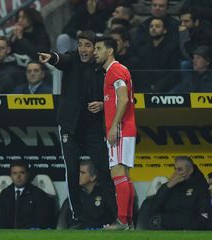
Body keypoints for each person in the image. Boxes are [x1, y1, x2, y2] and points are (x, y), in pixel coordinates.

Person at [39, 30, 114, 228]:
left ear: (96, 48)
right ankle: (78, 217)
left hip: (93, 129)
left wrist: (103, 104)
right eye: (80, 44)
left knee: (105, 170)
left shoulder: (103, 67)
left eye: (87, 45)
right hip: (70, 127)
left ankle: (113, 216)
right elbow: (61, 60)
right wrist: (52, 57)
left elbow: (118, 96)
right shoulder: (72, 59)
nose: (82, 49)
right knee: (72, 171)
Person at [94, 36, 136, 230]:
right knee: (124, 175)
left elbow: (124, 99)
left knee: (117, 173)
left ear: (109, 51)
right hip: (126, 128)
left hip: (120, 129)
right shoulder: (120, 70)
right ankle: (128, 221)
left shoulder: (114, 70)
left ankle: (121, 221)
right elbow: (120, 99)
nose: (95, 52)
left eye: (99, 48)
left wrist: (113, 127)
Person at [150, 156, 212, 230]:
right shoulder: (171, 185)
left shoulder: (202, 186)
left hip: (188, 229)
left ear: (190, 170)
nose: (176, 173)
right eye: (175, 169)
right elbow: (155, 207)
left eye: (180, 169)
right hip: (164, 226)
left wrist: (183, 225)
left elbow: (204, 217)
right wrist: (168, 186)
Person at [0, 161, 55, 229]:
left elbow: (41, 222)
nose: (18, 176)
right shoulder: (5, 193)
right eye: (14, 173)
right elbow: (0, 221)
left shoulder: (38, 194)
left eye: (22, 173)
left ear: (28, 175)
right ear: (11, 176)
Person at [137, 17, 181, 93]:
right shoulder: (143, 50)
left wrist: (159, 86)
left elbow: (174, 72)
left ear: (164, 30)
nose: (153, 29)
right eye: (151, 26)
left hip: (168, 86)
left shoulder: (172, 48)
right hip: (147, 87)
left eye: (157, 26)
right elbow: (142, 72)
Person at [67, 160, 115, 229]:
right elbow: (69, 216)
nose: (78, 175)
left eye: (82, 173)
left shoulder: (106, 193)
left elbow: (111, 217)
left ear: (93, 177)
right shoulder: (74, 192)